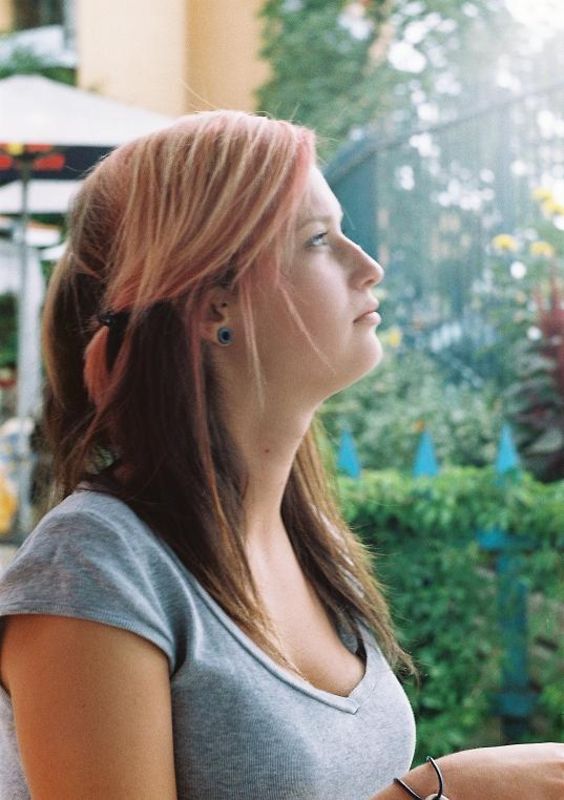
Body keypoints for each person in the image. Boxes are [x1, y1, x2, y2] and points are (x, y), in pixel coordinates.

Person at [0, 110, 561, 800]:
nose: (369, 266)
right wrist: (446, 790)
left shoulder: (308, 537)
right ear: (215, 308)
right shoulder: (91, 569)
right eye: (319, 239)